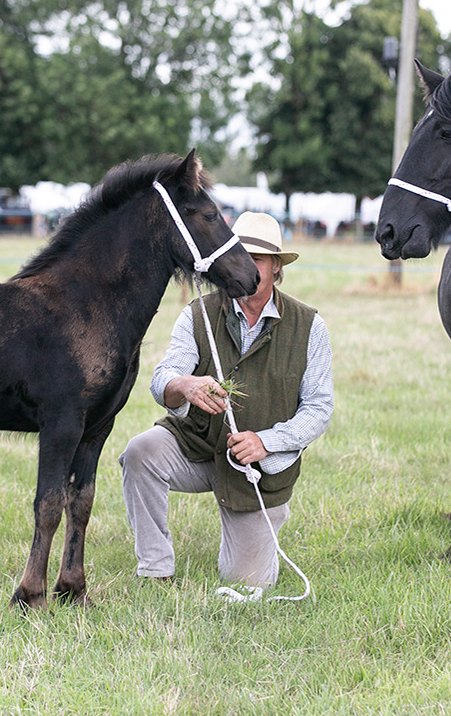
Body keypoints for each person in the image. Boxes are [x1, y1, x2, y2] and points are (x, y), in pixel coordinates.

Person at [119, 212, 334, 592]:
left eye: (258, 259)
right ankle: (156, 569)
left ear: (277, 268)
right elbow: (161, 380)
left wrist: (267, 441)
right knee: (141, 452)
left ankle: (244, 540)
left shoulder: (309, 326)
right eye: (238, 256)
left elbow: (318, 409)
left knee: (247, 583)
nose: (246, 267)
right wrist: (184, 385)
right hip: (197, 446)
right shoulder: (198, 313)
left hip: (256, 471)